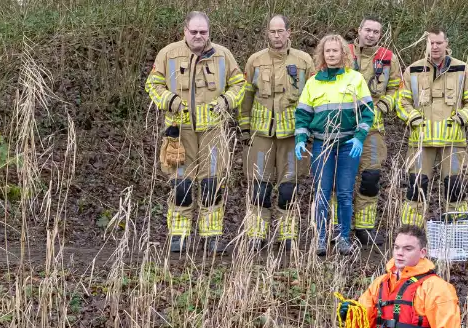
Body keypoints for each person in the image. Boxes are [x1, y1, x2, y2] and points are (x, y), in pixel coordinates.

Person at [146, 11, 246, 254]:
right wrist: (170, 100)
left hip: (213, 132)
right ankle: (178, 235)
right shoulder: (168, 54)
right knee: (181, 185)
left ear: (209, 32)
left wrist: (226, 101)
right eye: (194, 32)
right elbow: (153, 84)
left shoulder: (223, 55)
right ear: (185, 32)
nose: (198, 36)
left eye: (203, 32)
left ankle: (211, 237)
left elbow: (240, 84)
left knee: (212, 184)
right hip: (179, 132)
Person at [238, 15, 315, 251]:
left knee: (288, 188)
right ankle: (256, 234)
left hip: (293, 135)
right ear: (267, 33)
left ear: (289, 32)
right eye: (272, 32)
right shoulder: (255, 61)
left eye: (281, 31)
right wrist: (244, 128)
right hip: (260, 135)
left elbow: (314, 97)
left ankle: (287, 235)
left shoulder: (304, 61)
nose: (277, 36)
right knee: (259, 188)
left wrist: (309, 130)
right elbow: (246, 96)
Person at [294, 34, 374, 256]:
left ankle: (342, 238)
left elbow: (367, 113)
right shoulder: (313, 82)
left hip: (349, 144)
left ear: (343, 54)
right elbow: (302, 115)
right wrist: (301, 138)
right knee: (322, 192)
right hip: (322, 145)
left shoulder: (355, 79)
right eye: (327, 51)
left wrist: (359, 137)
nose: (331, 54)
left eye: (335, 51)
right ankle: (321, 237)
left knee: (345, 193)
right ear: (322, 54)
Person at [395, 28, 468, 226]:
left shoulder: (463, 69)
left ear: (446, 43)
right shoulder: (414, 70)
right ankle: (411, 231)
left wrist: (462, 117)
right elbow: (401, 102)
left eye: (438, 43)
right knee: (416, 186)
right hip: (421, 141)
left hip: (453, 141)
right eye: (431, 43)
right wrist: (413, 118)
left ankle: (458, 230)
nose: (434, 47)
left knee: (455, 187)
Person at [347, 17, 403, 245]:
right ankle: (336, 227)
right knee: (339, 181)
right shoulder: (344, 51)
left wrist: (383, 105)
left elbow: (398, 88)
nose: (370, 35)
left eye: (375, 32)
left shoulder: (388, 58)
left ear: (380, 35)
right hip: (342, 127)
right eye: (367, 30)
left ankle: (364, 227)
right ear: (359, 30)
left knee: (370, 177)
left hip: (373, 129)